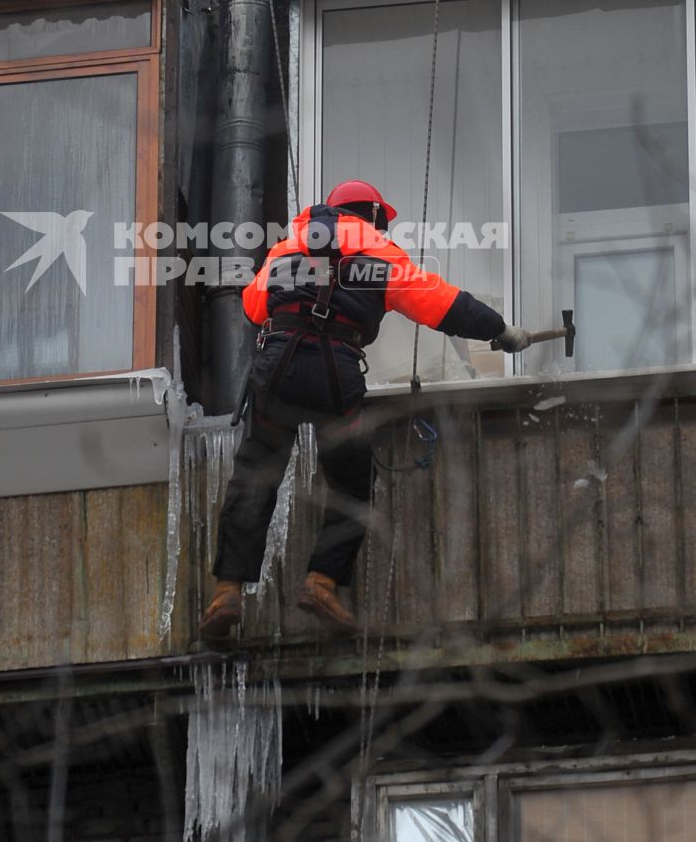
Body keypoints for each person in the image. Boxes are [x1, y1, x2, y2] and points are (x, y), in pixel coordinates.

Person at [199, 180, 531, 645]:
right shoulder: (380, 252)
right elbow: (441, 304)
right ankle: (321, 582)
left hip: (278, 369)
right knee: (351, 482)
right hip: (335, 372)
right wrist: (501, 329)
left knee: (255, 475)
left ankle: (227, 592)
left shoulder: (287, 245)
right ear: (372, 216)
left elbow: (255, 308)